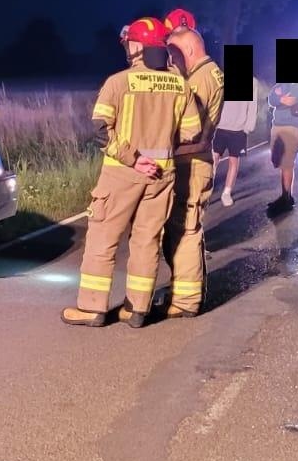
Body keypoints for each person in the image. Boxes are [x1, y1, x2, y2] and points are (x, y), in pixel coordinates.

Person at [63, 16, 199, 328]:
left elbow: (100, 131)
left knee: (102, 240)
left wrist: (133, 157)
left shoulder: (118, 82)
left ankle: (92, 308)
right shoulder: (181, 85)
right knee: (147, 242)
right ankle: (137, 310)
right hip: (162, 176)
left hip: (121, 174)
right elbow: (191, 133)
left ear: (136, 46)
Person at [161, 7, 222, 318]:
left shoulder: (199, 80)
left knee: (185, 230)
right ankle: (183, 293)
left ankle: (185, 302)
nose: (171, 59)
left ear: (189, 49)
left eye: (174, 52)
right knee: (182, 230)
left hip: (192, 163)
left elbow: (189, 128)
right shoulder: (207, 73)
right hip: (194, 162)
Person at [266, 78, 298, 215]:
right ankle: (286, 195)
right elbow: (271, 99)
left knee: (286, 161)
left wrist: (279, 97)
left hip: (295, 125)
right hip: (277, 124)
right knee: (277, 160)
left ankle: (286, 198)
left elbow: (291, 100)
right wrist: (279, 98)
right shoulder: (283, 83)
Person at [212, 73, 263, 207]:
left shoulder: (252, 82)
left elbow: (253, 105)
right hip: (220, 127)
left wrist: (248, 127)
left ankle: (226, 193)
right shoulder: (222, 78)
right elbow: (215, 99)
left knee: (233, 161)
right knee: (213, 159)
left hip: (238, 130)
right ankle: (205, 189)